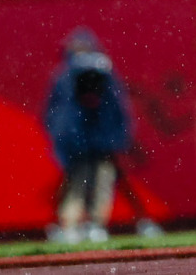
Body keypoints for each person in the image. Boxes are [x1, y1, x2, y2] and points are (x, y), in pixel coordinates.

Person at [44, 29, 133, 243]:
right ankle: (71, 227)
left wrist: (116, 138)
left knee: (100, 184)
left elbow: (115, 108)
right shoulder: (65, 75)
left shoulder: (103, 72)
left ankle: (94, 226)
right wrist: (64, 138)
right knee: (77, 186)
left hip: (98, 141)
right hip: (79, 142)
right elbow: (56, 112)